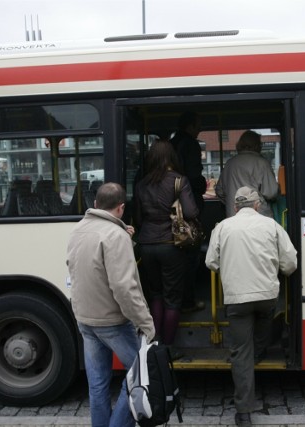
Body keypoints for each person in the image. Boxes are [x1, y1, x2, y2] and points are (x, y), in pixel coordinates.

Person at [205, 186, 297, 427]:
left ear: (236, 207)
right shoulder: (272, 226)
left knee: (240, 353)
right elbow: (290, 264)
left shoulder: (222, 227)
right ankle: (260, 349)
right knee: (267, 317)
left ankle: (244, 412)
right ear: (257, 205)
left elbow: (211, 262)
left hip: (236, 299)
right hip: (266, 296)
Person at [67, 182, 155, 427]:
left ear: (95, 205)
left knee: (97, 385)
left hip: (85, 318)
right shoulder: (115, 236)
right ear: (121, 208)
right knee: (140, 376)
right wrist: (146, 323)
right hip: (111, 321)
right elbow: (124, 287)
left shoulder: (79, 229)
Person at [134, 141, 199, 359]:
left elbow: (139, 217)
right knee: (173, 298)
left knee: (155, 295)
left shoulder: (142, 184)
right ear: (172, 158)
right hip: (171, 244)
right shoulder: (179, 181)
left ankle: (155, 343)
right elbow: (190, 212)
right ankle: (168, 348)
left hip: (146, 244)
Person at [170, 111, 207, 313]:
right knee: (191, 256)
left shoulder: (173, 143)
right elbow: (195, 178)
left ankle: (176, 302)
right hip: (186, 207)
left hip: (172, 211)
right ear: (190, 126)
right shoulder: (190, 144)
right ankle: (188, 300)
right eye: (198, 124)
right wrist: (200, 185)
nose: (200, 129)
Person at [215, 130, 279, 218]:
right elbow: (271, 193)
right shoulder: (262, 163)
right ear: (257, 146)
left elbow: (219, 191)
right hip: (259, 217)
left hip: (233, 216)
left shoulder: (229, 164)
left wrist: (232, 203)